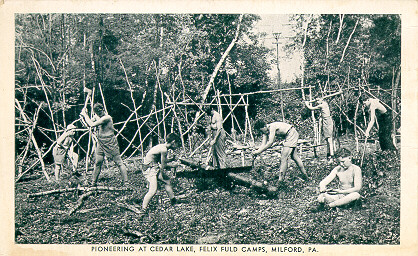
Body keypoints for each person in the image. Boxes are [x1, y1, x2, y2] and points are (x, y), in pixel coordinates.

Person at [80, 103, 128, 187]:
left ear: (102, 109)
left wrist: (85, 115)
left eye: (99, 111)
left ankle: (126, 182)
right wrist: (83, 117)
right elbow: (88, 124)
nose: (98, 114)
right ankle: (93, 183)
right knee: (98, 162)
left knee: (118, 162)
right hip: (101, 142)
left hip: (110, 142)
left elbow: (91, 124)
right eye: (97, 112)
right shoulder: (97, 117)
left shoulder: (107, 118)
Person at [140, 133, 182, 214]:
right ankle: (143, 209)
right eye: (177, 143)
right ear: (173, 142)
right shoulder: (164, 150)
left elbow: (162, 161)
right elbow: (163, 165)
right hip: (149, 169)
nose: (177, 146)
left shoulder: (162, 147)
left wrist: (172, 159)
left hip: (153, 167)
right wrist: (173, 165)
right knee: (153, 190)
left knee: (167, 181)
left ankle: (173, 200)